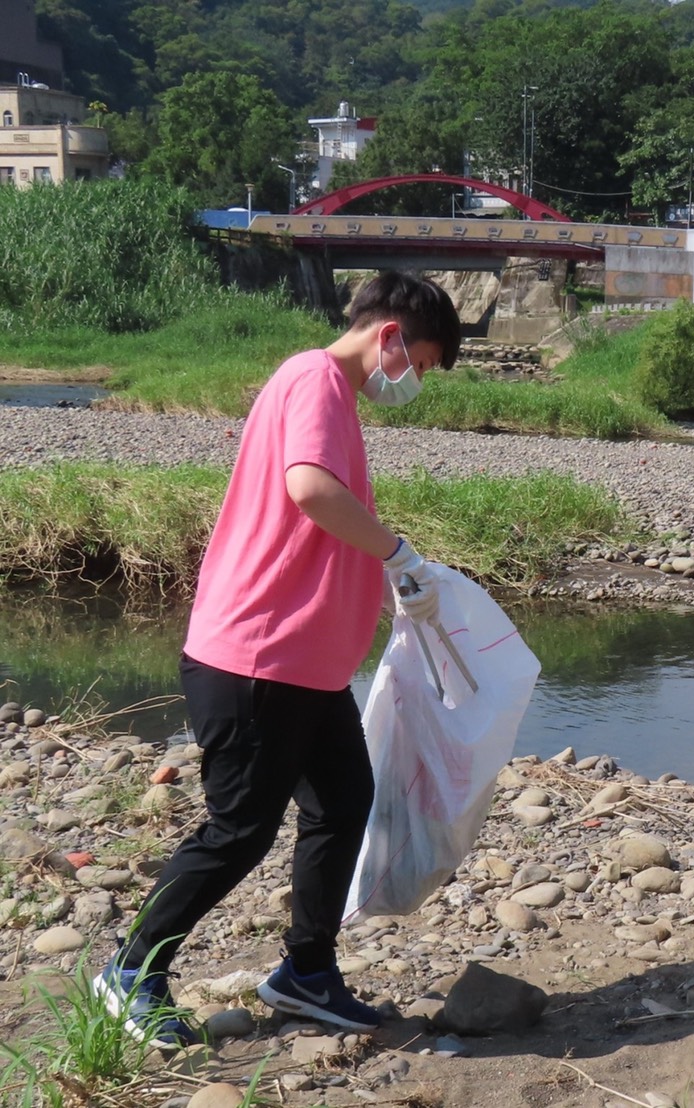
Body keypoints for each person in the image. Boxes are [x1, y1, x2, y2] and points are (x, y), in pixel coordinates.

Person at [93, 271, 462, 1048]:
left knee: (341, 803)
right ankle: (131, 970)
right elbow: (310, 490)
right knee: (239, 829)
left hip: (307, 668)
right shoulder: (316, 378)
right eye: (422, 364)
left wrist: (386, 577)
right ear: (390, 336)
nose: (415, 381)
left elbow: (322, 511)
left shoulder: (330, 394)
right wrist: (398, 555)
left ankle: (306, 973)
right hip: (258, 657)